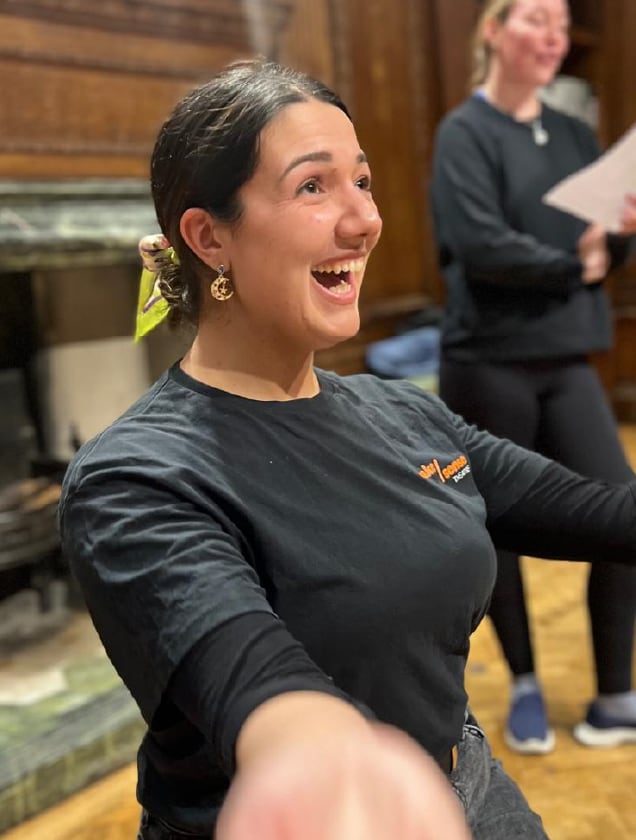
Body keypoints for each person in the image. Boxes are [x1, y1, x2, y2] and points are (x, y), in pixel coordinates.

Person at [58, 58, 636, 840]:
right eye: (313, 186)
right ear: (208, 236)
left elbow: (603, 513)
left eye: (362, 181)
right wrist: (332, 766)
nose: (365, 218)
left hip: (469, 787)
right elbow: (258, 683)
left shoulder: (402, 413)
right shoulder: (137, 480)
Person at [430, 0, 636, 756]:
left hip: (566, 356)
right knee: (500, 537)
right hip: (489, 359)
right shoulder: (464, 133)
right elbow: (478, 245)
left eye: (560, 23)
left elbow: (599, 252)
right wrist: (573, 264)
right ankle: (522, 685)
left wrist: (617, 240)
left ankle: (616, 694)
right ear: (493, 30)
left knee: (622, 514)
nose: (553, 35)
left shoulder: (577, 134)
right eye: (534, 18)